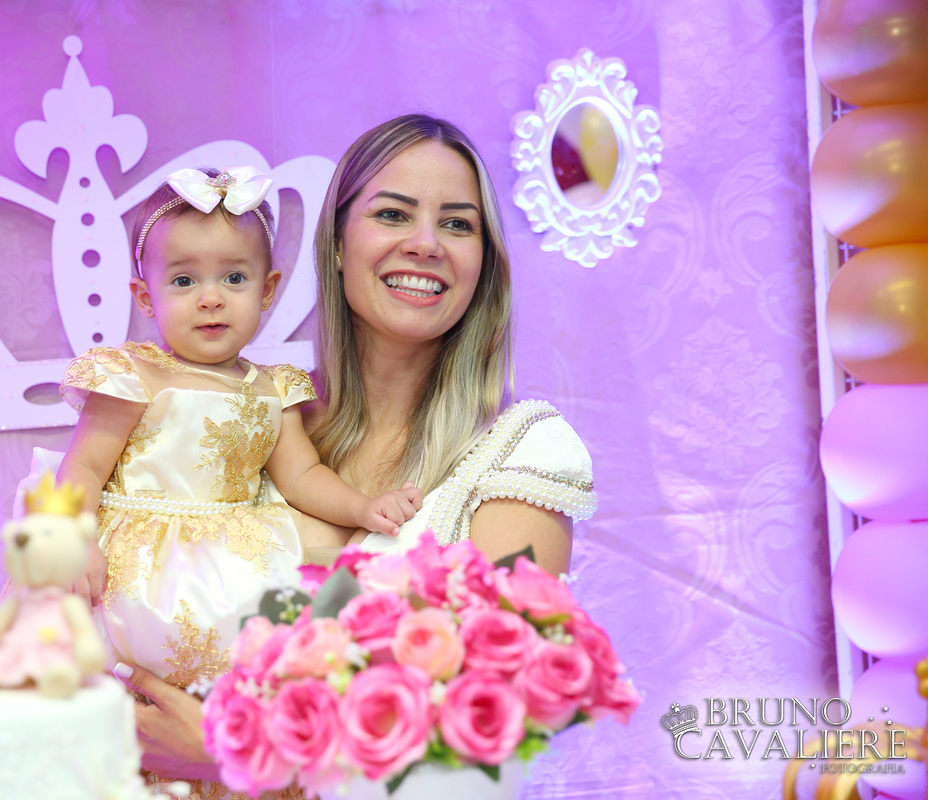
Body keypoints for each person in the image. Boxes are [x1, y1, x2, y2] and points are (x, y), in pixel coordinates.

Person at [116, 115, 599, 796]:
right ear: (338, 245)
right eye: (394, 213)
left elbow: (481, 762)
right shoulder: (255, 421)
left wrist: (232, 751)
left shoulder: (521, 458)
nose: (427, 243)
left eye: (458, 225)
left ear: (483, 261)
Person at [53, 166, 422, 708]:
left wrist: (363, 508)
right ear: (145, 297)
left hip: (231, 567)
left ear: (267, 289)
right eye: (183, 281)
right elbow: (83, 467)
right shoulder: (131, 376)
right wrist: (73, 538)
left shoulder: (274, 388)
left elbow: (302, 476)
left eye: (234, 278)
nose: (211, 299)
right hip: (138, 562)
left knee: (255, 673)